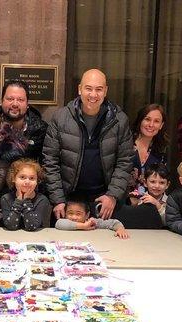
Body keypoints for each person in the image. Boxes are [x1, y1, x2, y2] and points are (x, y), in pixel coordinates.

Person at [43, 68, 133, 221]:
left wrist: (112, 195)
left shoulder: (119, 120)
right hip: (68, 199)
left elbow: (125, 161)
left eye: (99, 89)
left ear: (105, 91)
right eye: (88, 88)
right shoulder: (60, 117)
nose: (93, 95)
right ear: (79, 89)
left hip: (104, 200)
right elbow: (50, 161)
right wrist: (57, 199)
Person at [0, 79, 48, 162]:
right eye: (10, 99)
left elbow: (46, 162)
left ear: (27, 104)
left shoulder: (41, 130)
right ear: (1, 102)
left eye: (20, 100)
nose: (15, 104)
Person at [129, 104, 168, 201]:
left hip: (149, 203)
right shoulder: (125, 143)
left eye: (156, 121)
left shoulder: (161, 149)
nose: (151, 125)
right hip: (122, 201)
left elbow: (161, 180)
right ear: (140, 121)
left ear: (161, 125)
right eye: (147, 119)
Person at [0, 158, 50, 231]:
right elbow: (11, 226)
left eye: (32, 178)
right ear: (13, 179)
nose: (27, 182)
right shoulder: (6, 198)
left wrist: (26, 200)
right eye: (22, 177)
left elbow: (31, 226)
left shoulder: (42, 200)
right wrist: (19, 200)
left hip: (35, 238)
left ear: (37, 182)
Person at [55, 195, 129, 239]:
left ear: (87, 215)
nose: (74, 217)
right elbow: (59, 223)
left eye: (78, 214)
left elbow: (113, 223)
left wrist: (120, 229)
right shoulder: (64, 222)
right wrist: (83, 226)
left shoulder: (92, 222)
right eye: (70, 213)